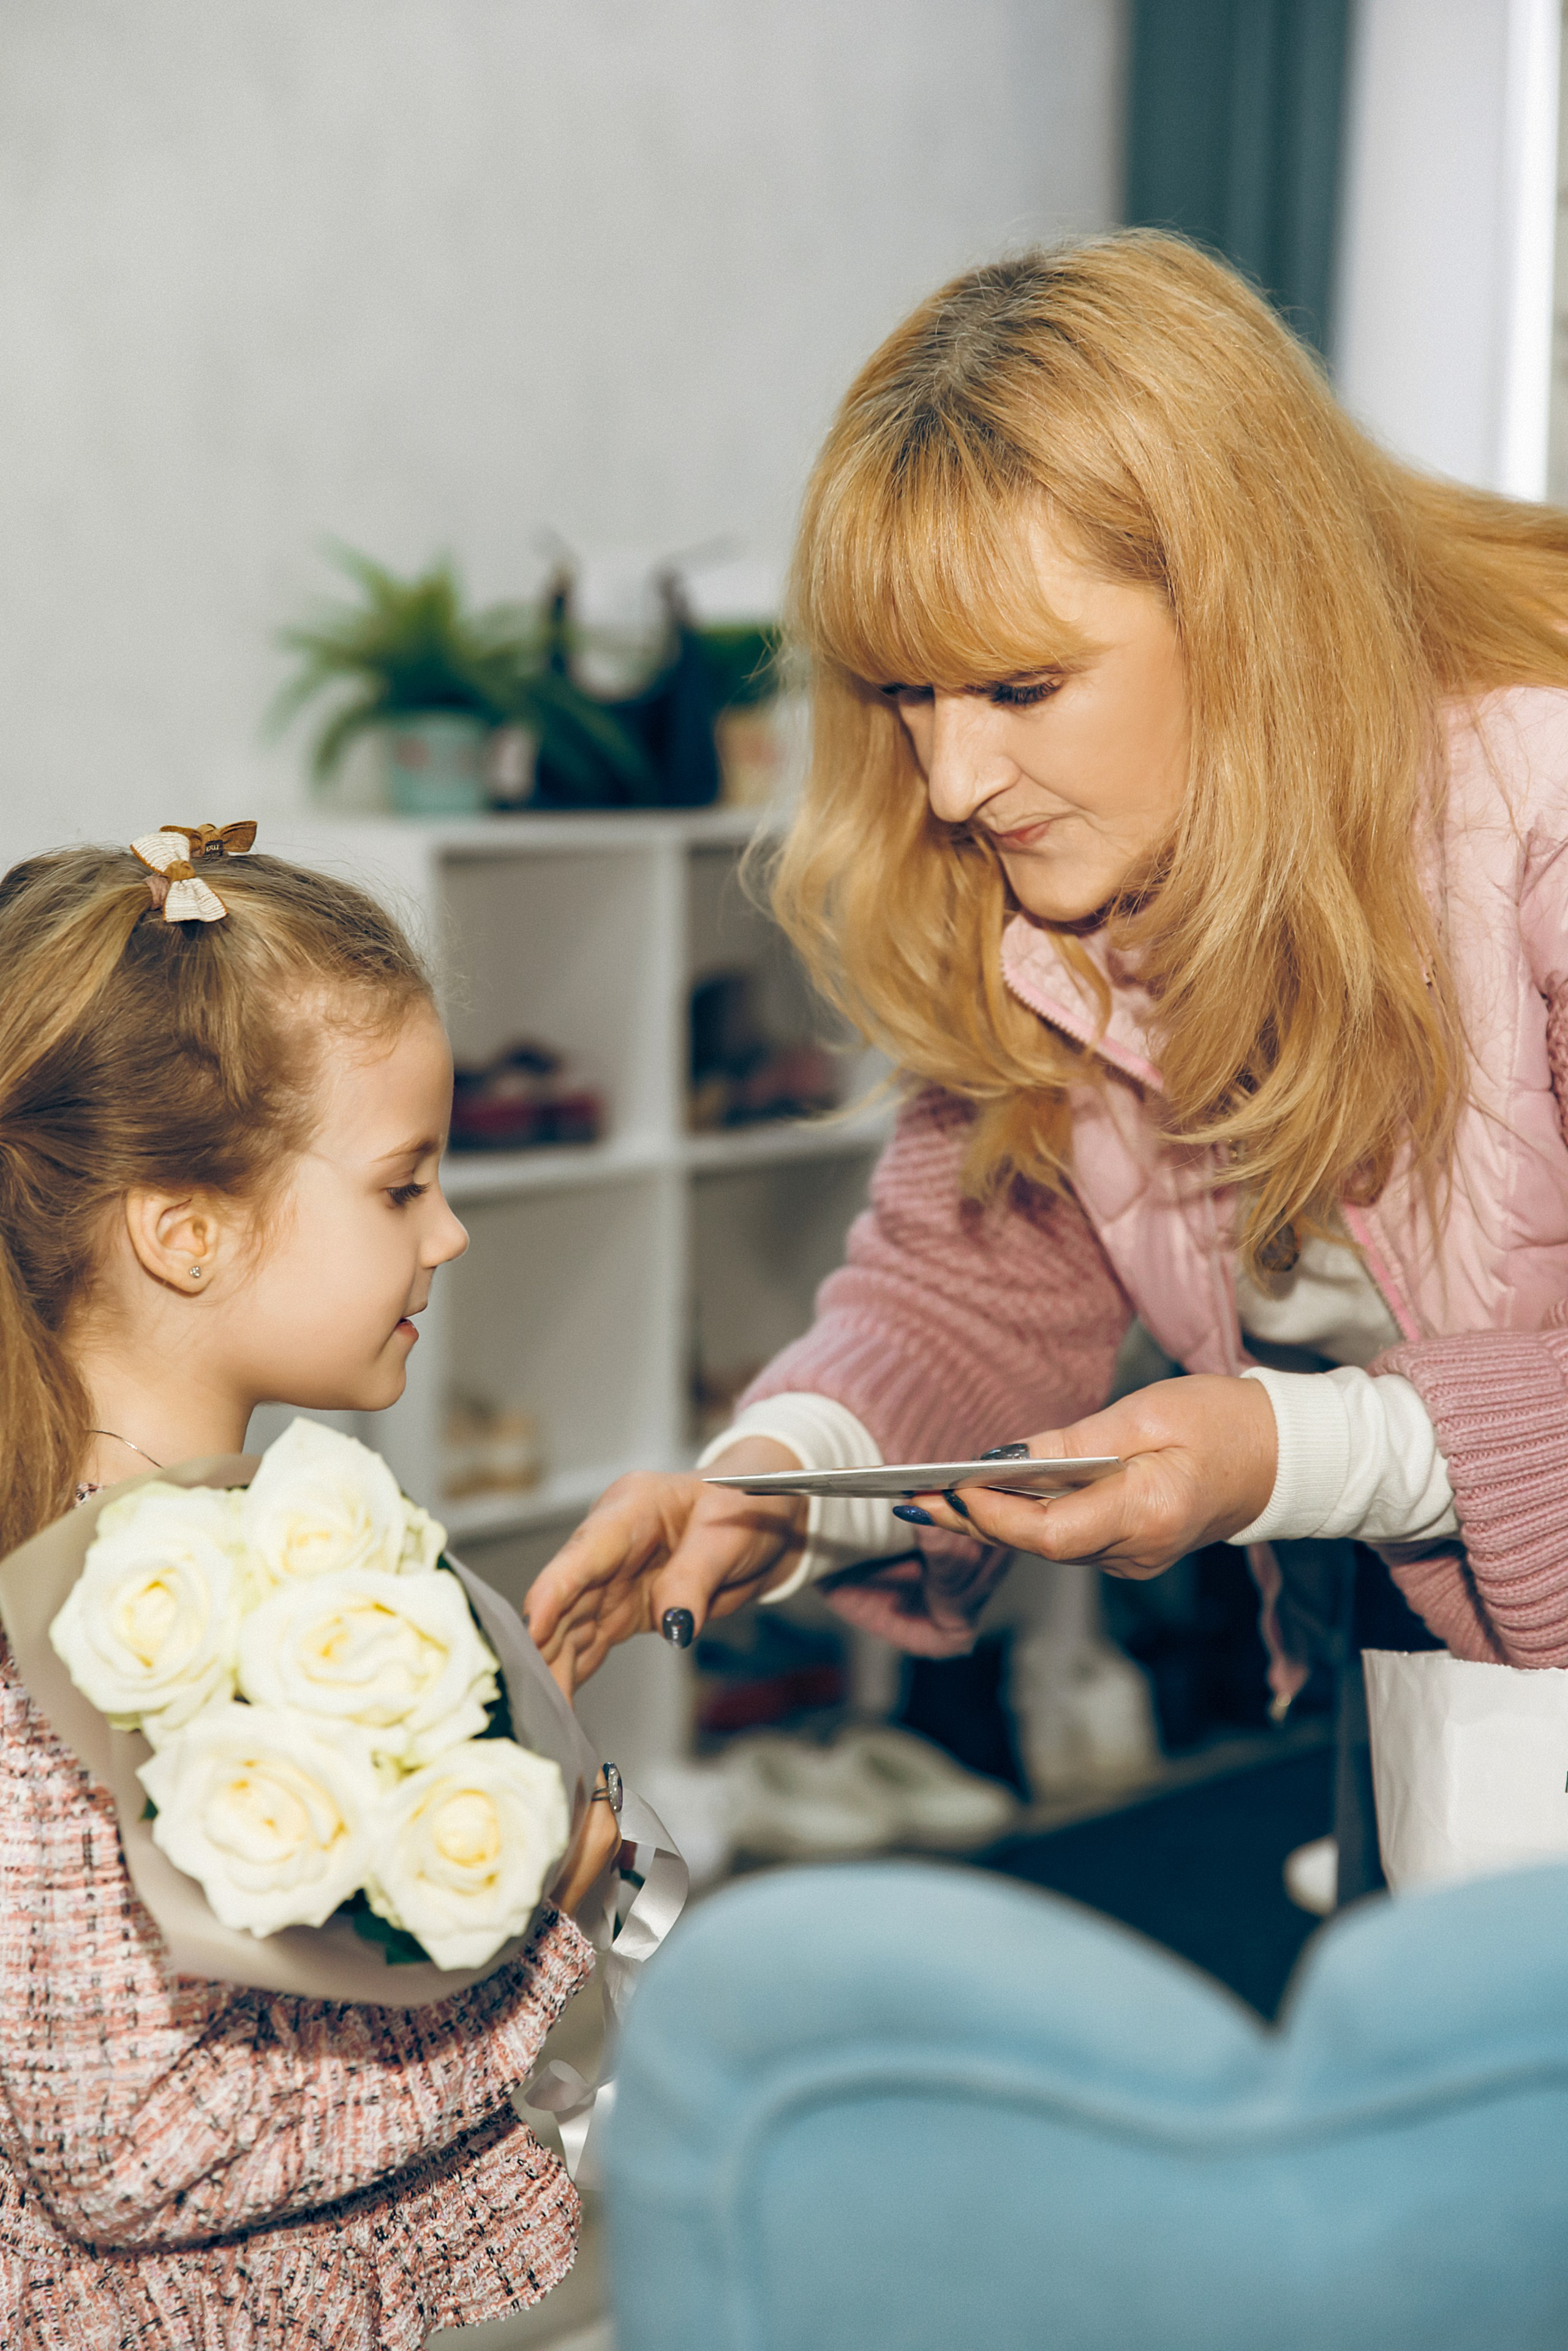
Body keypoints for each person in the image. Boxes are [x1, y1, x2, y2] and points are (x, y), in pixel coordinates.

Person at [526, 232, 1568, 1897]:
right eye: (906, 695)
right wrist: (785, 1483)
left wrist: (1286, 1453)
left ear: (1250, 608)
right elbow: (965, 1295)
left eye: (1022, 686)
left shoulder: (1543, 810)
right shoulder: (1055, 893)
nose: (951, 781)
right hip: (1433, 1674)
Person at [0, 830, 619, 2347]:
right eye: (401, 1184)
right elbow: (131, 2153)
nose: (448, 1230)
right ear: (185, 1229)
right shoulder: (66, 1635)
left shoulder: (251, 1534)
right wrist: (530, 1957)